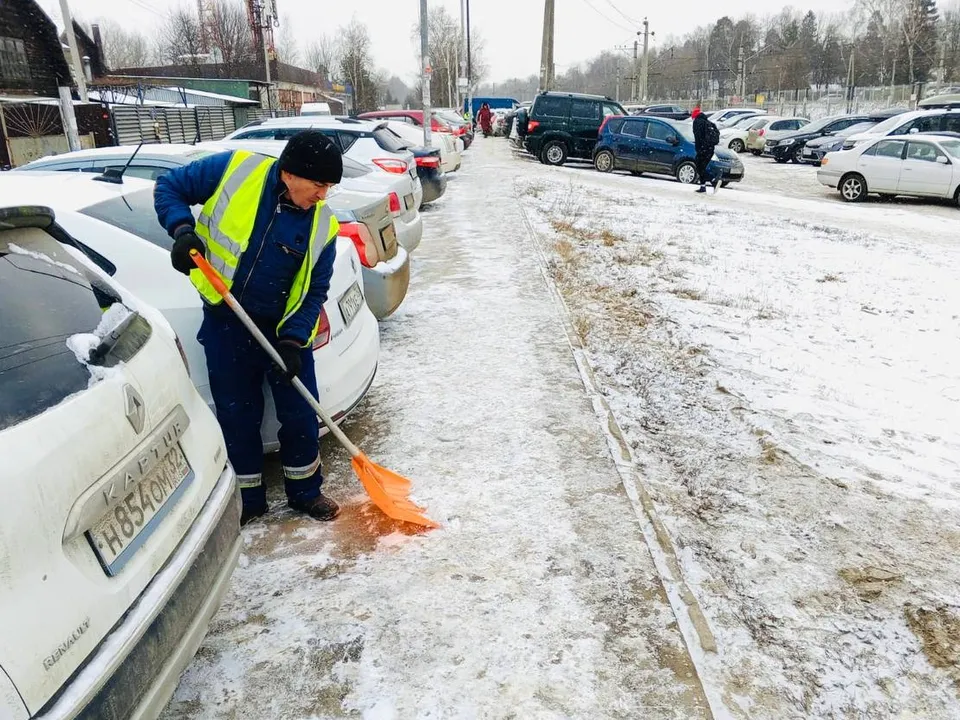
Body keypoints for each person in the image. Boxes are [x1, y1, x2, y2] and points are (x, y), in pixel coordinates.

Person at [154, 130, 343, 526]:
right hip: (227, 319)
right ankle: (249, 499)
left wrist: (294, 339)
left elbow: (315, 291)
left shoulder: (323, 227)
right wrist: (180, 229)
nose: (323, 195)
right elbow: (170, 186)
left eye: (329, 186)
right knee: (237, 413)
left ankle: (306, 492)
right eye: (319, 184)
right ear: (291, 174)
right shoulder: (235, 170)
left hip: (284, 331)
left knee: (299, 414)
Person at [691, 106, 721, 194]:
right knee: (702, 167)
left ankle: (713, 180)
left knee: (699, 166)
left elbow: (698, 137)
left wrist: (699, 148)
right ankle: (703, 186)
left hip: (703, 148)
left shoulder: (697, 122)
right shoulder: (709, 123)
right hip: (710, 148)